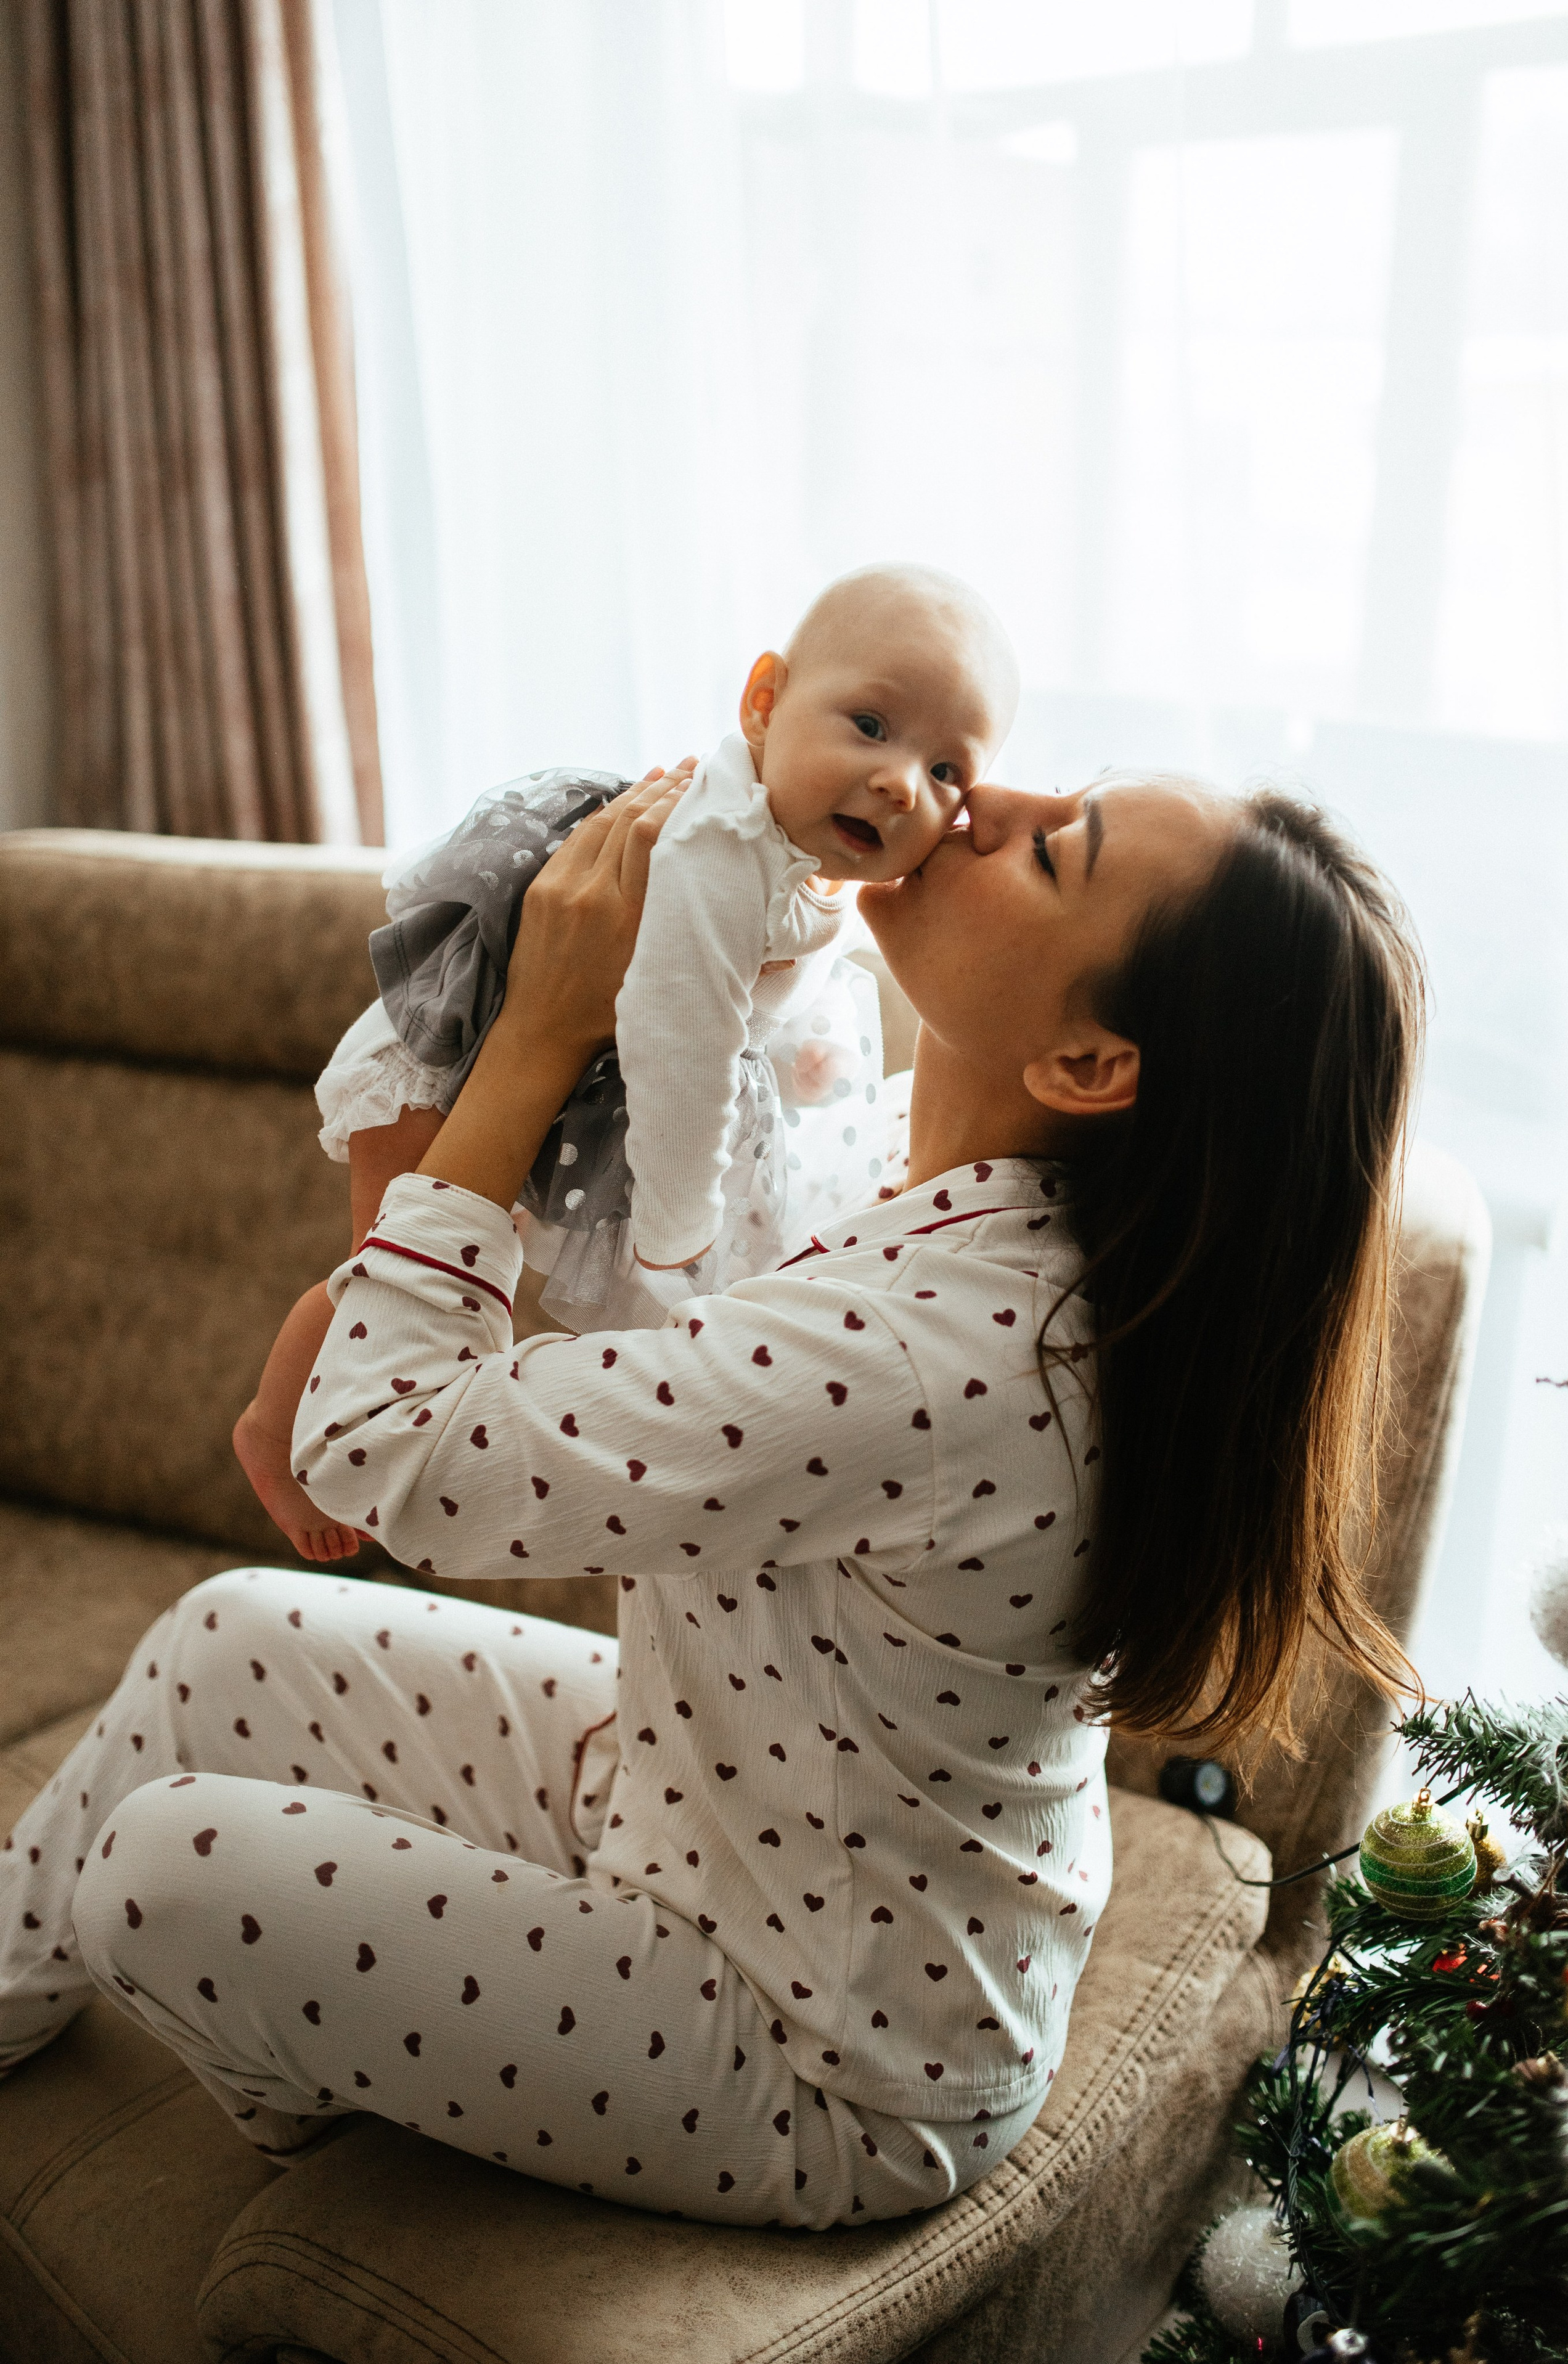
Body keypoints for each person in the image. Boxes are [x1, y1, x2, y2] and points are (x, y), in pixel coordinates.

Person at [0, 764, 1424, 2233]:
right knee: (230, 1635)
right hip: (694, 1801)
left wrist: (540, 1032)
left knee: (163, 1871)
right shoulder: (924, 1173)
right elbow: (685, 1216)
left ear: (1084, 1063)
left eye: (1052, 851)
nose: (975, 798)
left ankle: (335, 2083)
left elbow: (379, 1451)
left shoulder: (945, 1361)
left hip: (825, 2057)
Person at [232, 563, 1019, 1563]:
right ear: (764, 703)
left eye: (948, 770)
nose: (903, 779)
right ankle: (271, 1427)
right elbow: (684, 1046)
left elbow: (766, 997)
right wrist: (674, 1233)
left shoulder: (801, 860)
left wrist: (805, 1062)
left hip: (561, 1089)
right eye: (870, 725)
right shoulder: (721, 852)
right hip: (455, 1061)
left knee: (472, 1280)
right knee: (390, 1279)